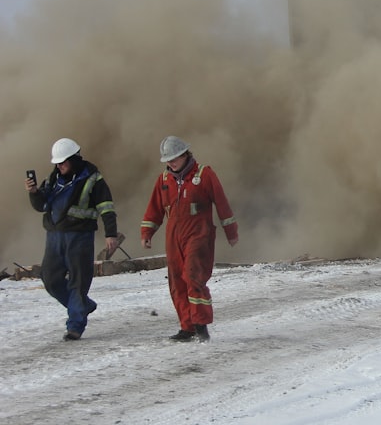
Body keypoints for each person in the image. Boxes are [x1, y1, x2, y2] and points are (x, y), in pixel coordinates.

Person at [140, 136, 238, 342]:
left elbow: (222, 204)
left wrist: (231, 232)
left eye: (174, 158)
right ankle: (187, 327)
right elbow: (154, 210)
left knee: (193, 276)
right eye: (167, 159)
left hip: (199, 235)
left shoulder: (204, 175)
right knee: (177, 282)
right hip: (173, 238)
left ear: (185, 155)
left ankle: (201, 324)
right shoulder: (164, 181)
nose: (171, 162)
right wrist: (147, 233)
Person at [26, 137, 120, 341]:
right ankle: (82, 306)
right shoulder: (53, 179)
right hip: (54, 238)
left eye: (63, 162)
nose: (59, 166)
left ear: (75, 159)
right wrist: (34, 193)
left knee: (78, 283)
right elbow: (41, 206)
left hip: (80, 238)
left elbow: (106, 207)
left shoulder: (93, 179)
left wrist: (110, 233)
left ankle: (75, 326)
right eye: (57, 163)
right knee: (50, 279)